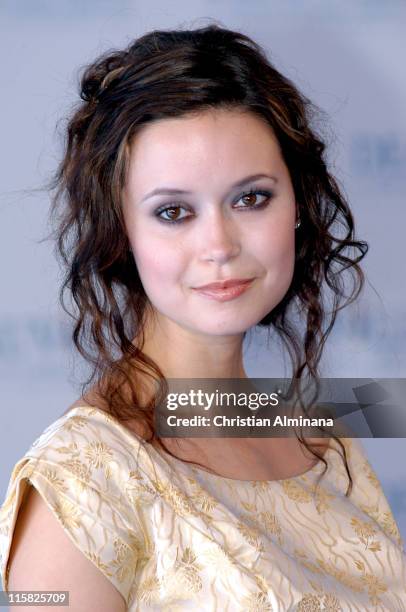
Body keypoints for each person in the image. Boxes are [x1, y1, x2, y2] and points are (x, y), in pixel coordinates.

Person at [0, 23, 405, 611]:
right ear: (122, 232)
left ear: (298, 204)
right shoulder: (82, 480)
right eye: (172, 211)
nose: (218, 244)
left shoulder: (321, 429)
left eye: (251, 198)